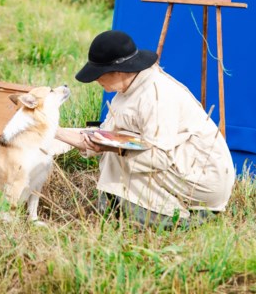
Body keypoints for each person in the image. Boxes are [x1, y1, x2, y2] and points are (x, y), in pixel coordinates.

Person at [55, 30, 235, 228]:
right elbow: (102, 135)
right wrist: (53, 131)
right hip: (180, 164)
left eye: (99, 74)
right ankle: (120, 208)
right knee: (117, 143)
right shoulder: (126, 90)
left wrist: (112, 148)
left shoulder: (156, 95)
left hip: (203, 178)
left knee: (117, 154)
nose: (96, 80)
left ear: (119, 71)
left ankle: (175, 219)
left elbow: (160, 157)